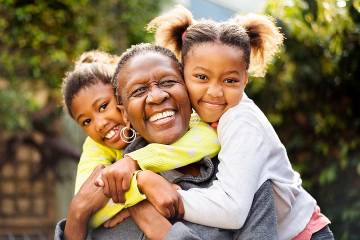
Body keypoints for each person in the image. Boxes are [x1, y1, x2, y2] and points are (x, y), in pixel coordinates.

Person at [146, 5, 334, 240]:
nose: (214, 92)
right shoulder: (196, 117)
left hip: (302, 235)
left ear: (245, 79)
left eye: (230, 80)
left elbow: (232, 210)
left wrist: (173, 196)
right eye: (201, 77)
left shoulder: (241, 121)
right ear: (182, 72)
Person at [55, 44, 277, 240]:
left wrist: (161, 230)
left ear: (188, 90)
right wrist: (78, 213)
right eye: (139, 90)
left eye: (169, 82)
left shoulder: (242, 180)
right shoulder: (108, 187)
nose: (157, 96)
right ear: (124, 112)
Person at [61, 50, 220, 228]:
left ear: (123, 97)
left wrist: (135, 162)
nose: (99, 124)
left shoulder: (177, 117)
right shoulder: (95, 146)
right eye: (86, 121)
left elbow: (210, 139)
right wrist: (141, 188)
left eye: (104, 106)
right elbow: (86, 203)